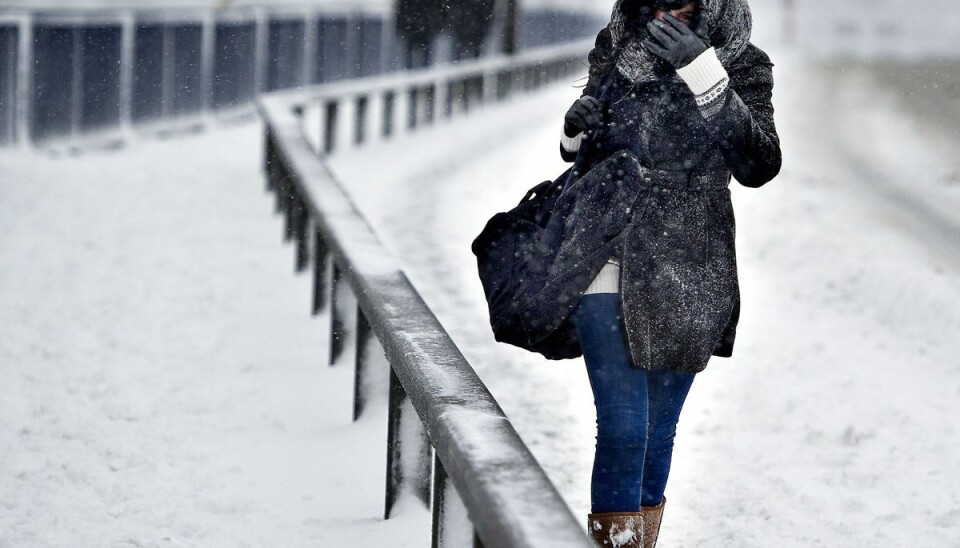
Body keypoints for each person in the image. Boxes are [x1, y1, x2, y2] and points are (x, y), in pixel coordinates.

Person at [559, 0, 781, 546]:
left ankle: (638, 541)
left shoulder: (746, 66)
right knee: (624, 427)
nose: (665, 14)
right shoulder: (615, 49)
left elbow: (759, 164)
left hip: (691, 259)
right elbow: (585, 155)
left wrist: (702, 69)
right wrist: (572, 135)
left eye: (679, 2)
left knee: (657, 431)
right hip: (610, 243)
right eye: (653, 2)